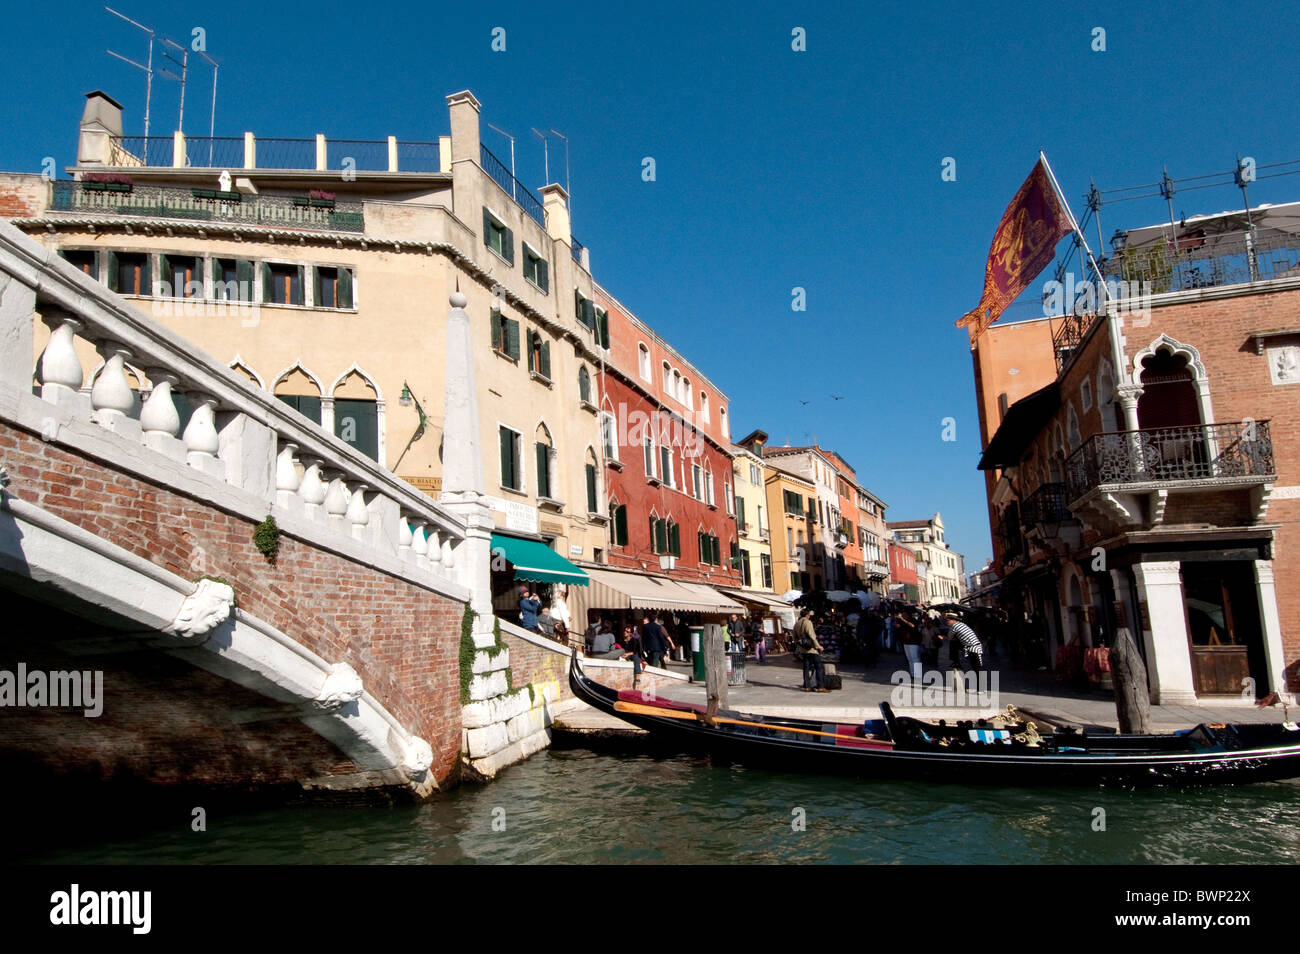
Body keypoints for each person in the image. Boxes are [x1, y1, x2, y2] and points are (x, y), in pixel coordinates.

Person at [794, 608, 828, 691]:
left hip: (803, 649)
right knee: (818, 666)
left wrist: (801, 645)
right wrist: (818, 646)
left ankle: (807, 686)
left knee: (806, 667)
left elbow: (795, 638)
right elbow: (812, 635)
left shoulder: (797, 623)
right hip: (811, 648)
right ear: (807, 615)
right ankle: (820, 686)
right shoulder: (807, 622)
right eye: (809, 614)